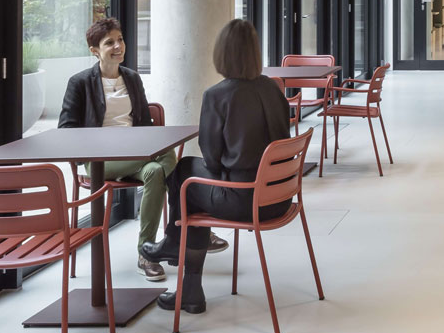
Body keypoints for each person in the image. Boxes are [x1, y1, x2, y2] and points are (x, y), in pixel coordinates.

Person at [139, 18, 296, 315]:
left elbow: (211, 160)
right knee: (189, 185)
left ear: (221, 53)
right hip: (278, 197)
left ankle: (177, 252)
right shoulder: (274, 89)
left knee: (185, 174)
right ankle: (186, 281)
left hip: (243, 200)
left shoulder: (217, 95)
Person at [57, 17, 174, 282]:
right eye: (109, 42)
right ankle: (181, 224)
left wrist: (143, 146)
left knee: (156, 170)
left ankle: (147, 253)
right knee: (166, 153)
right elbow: (65, 131)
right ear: (94, 50)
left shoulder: (132, 78)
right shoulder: (80, 82)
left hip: (138, 156)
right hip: (100, 161)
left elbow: (145, 124)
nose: (118, 46)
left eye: (120, 39)